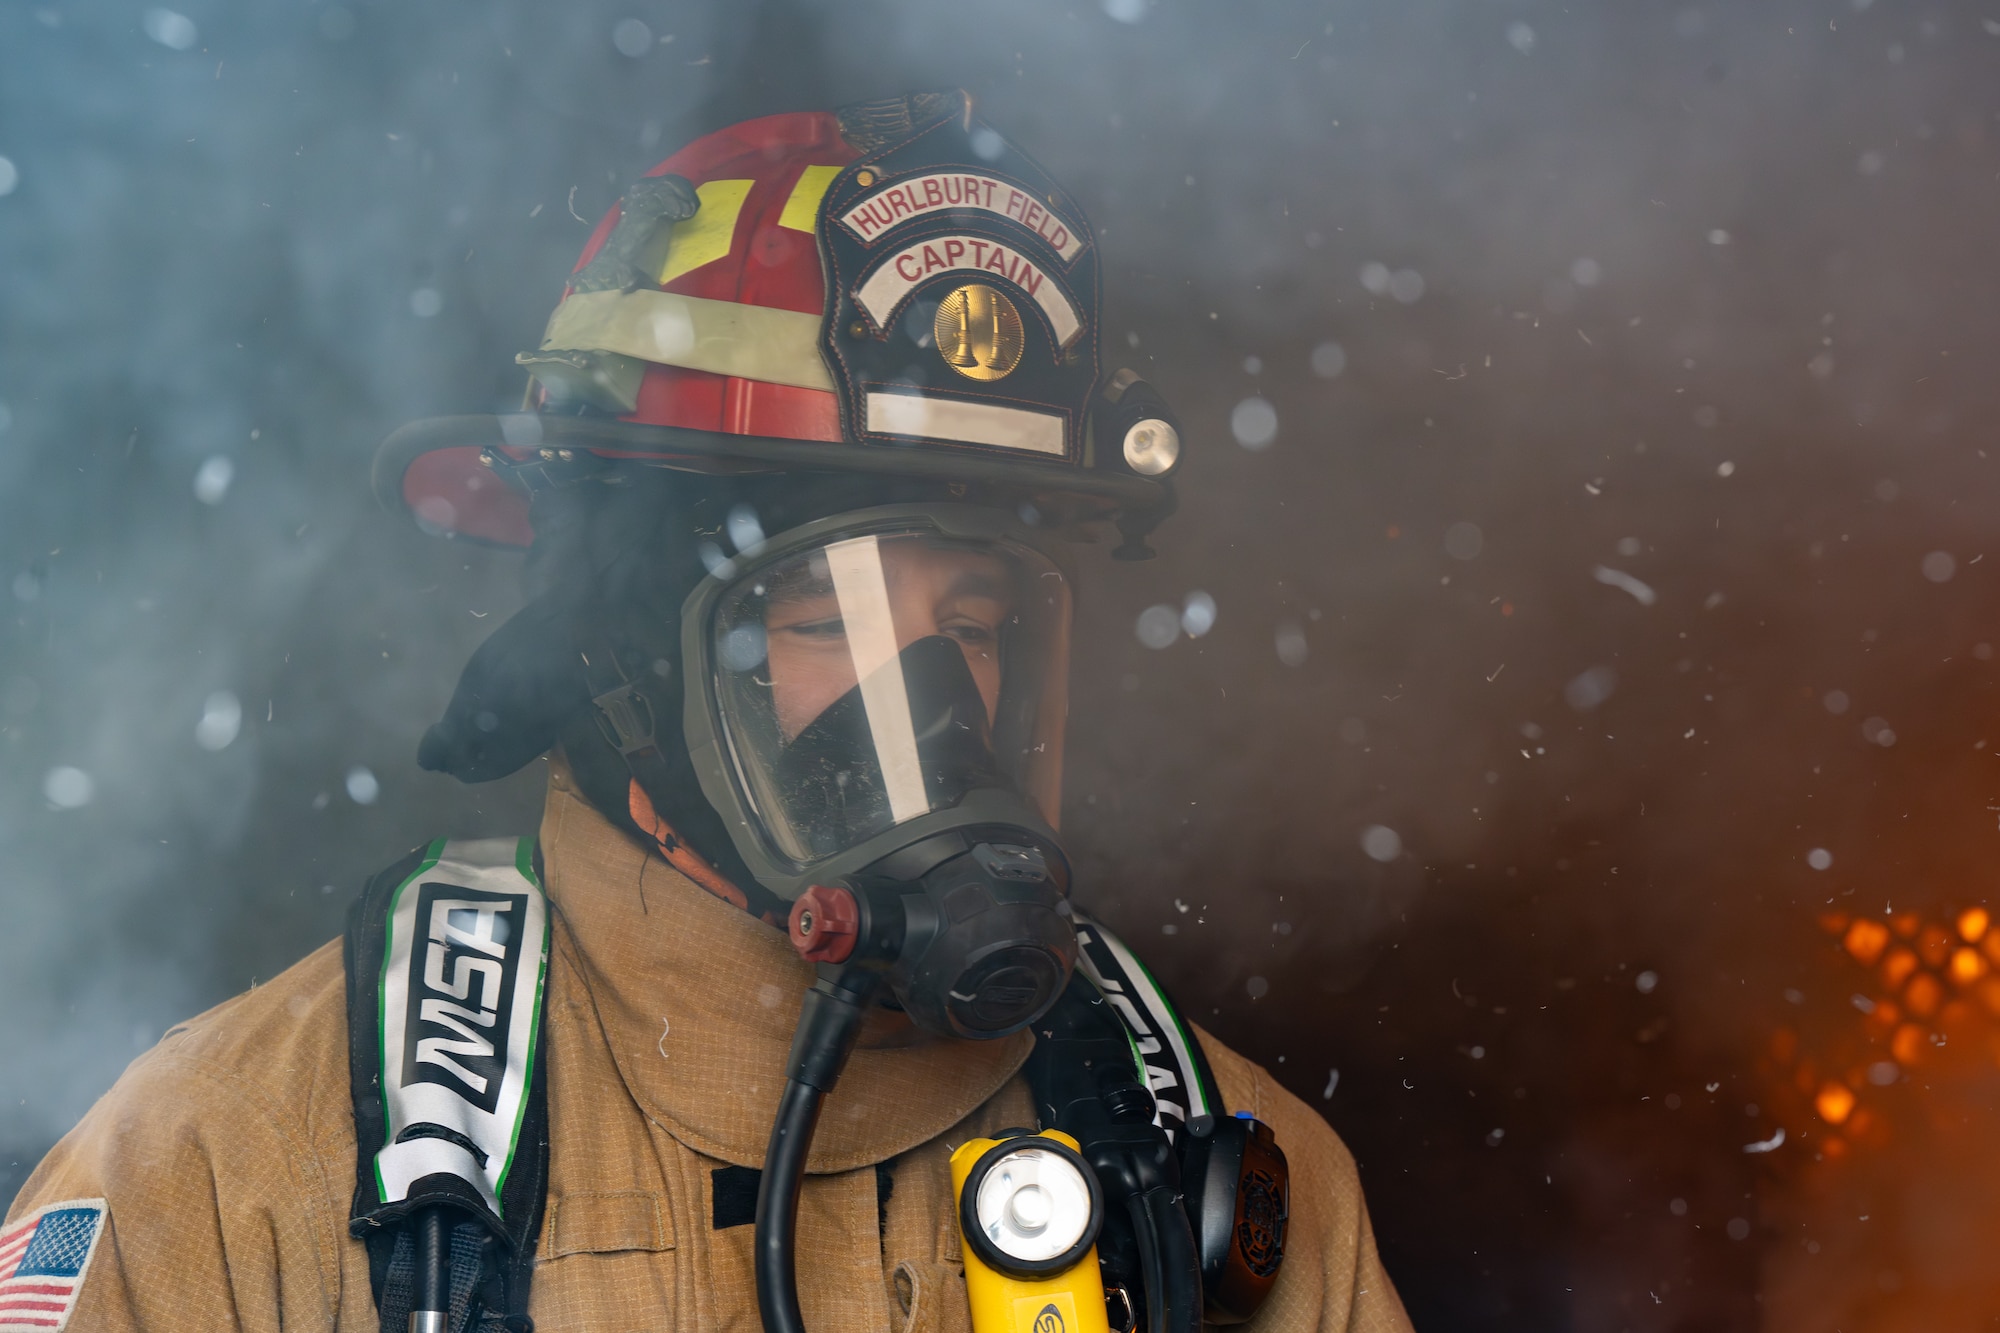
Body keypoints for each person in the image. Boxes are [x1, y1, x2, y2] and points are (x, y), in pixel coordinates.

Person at [4, 93, 1413, 1333]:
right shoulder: (229, 1169)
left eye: (974, 626)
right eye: (825, 620)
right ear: (618, 658)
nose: (930, 704)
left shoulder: (1204, 1170)